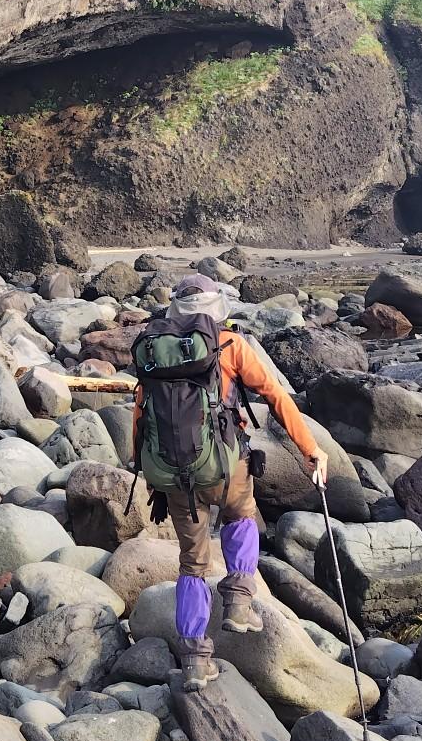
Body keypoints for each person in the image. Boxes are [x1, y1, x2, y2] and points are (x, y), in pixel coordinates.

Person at [131, 274, 328, 691]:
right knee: (242, 516)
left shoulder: (154, 354)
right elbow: (275, 396)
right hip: (225, 466)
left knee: (192, 564)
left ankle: (194, 662)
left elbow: (140, 418)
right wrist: (311, 449)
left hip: (173, 474)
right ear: (215, 308)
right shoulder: (230, 344)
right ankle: (238, 602)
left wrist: (151, 477)